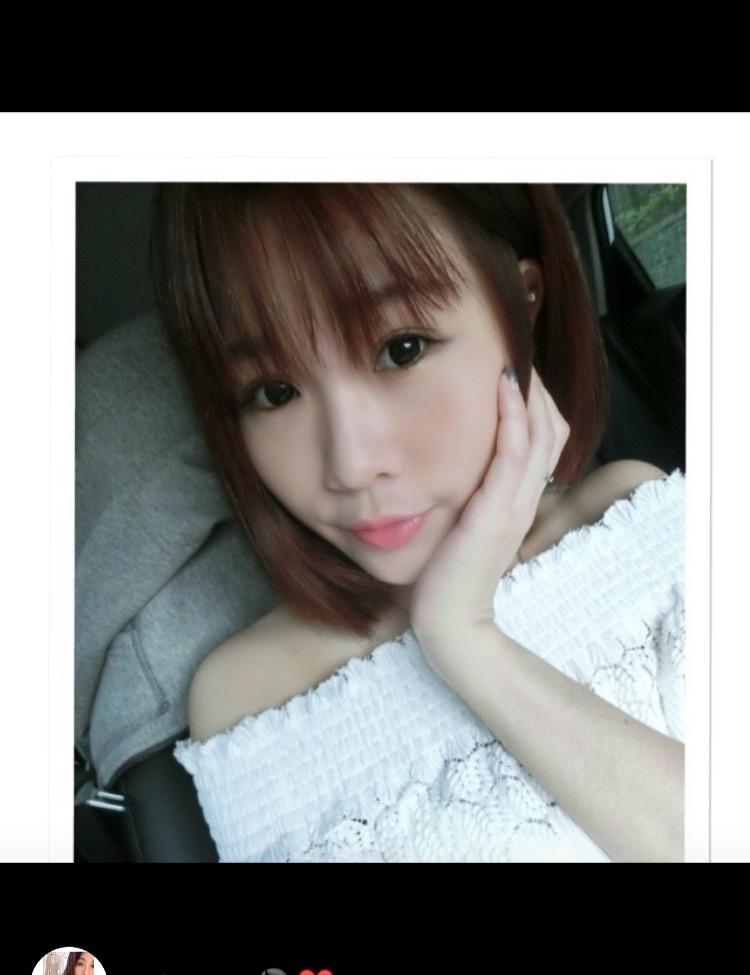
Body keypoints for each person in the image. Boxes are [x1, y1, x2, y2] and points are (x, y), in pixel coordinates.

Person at [149, 183, 685, 862]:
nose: (350, 464)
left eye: (402, 349)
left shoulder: (634, 517)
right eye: (274, 392)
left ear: (522, 303)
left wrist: (463, 635)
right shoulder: (253, 702)